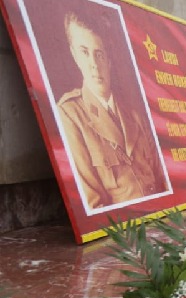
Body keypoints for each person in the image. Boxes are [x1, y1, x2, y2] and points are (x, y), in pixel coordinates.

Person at [57, 11, 167, 210]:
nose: (94, 64)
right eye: (84, 52)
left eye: (99, 54)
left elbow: (162, 176)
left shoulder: (133, 110)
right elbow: (93, 204)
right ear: (74, 55)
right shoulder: (70, 114)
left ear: (108, 59)